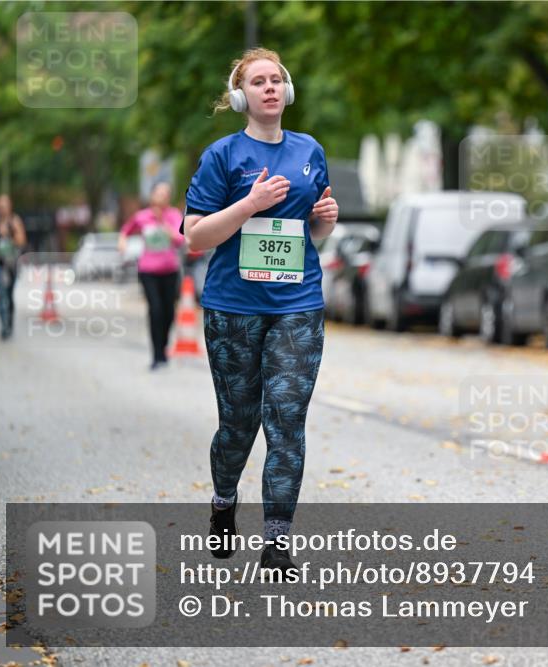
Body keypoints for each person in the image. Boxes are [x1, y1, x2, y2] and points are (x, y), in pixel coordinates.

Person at [183, 47, 338, 572]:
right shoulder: (222, 156)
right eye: (258, 82)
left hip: (298, 304)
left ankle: (277, 541)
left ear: (287, 91)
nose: (270, 88)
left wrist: (325, 219)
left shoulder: (310, 150)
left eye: (277, 80)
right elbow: (195, 238)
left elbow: (309, 233)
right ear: (240, 96)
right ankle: (224, 503)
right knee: (238, 424)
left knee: (287, 420)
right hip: (233, 309)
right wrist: (249, 204)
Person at [119, 182, 185, 370]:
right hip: (148, 271)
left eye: (166, 193)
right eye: (159, 192)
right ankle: (156, 355)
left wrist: (164, 225)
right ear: (152, 195)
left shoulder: (173, 215)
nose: (162, 196)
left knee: (169, 313)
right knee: (155, 310)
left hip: (170, 270)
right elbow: (126, 230)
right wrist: (122, 241)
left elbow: (180, 240)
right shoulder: (142, 217)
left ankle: (163, 348)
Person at [0, 194, 27, 340]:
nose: (1, 209)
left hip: (11, 263)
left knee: (9, 295)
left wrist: (10, 234)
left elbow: (22, 241)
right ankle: (4, 326)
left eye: (4, 206)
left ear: (9, 206)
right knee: (2, 292)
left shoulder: (14, 221)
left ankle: (9, 323)